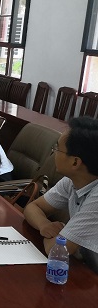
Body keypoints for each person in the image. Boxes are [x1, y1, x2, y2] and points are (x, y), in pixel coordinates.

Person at [24, 117, 98, 274]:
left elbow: (54, 250)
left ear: (75, 162)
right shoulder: (73, 180)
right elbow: (32, 207)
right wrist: (44, 225)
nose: (54, 152)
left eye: (57, 148)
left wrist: (56, 238)